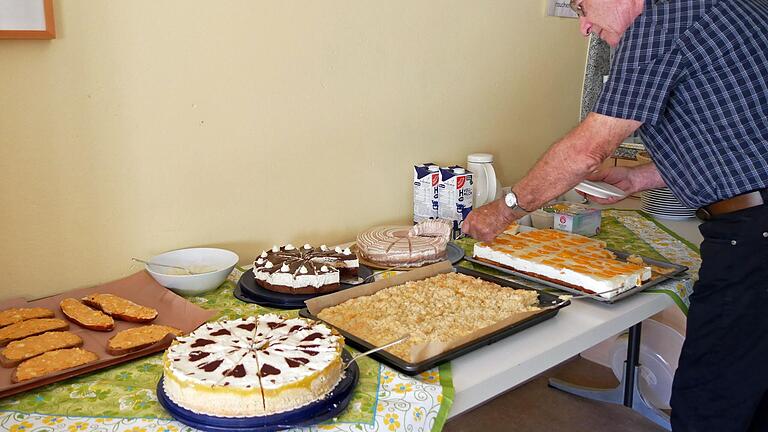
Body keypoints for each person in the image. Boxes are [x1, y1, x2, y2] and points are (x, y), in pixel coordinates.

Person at [461, 0, 768, 430]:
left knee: (711, 398)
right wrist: (636, 178)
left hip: (755, 236)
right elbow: (732, 141)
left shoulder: (664, 21)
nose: (585, 26)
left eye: (583, 6)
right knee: (754, 389)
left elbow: (586, 150)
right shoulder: (725, 8)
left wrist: (506, 208)